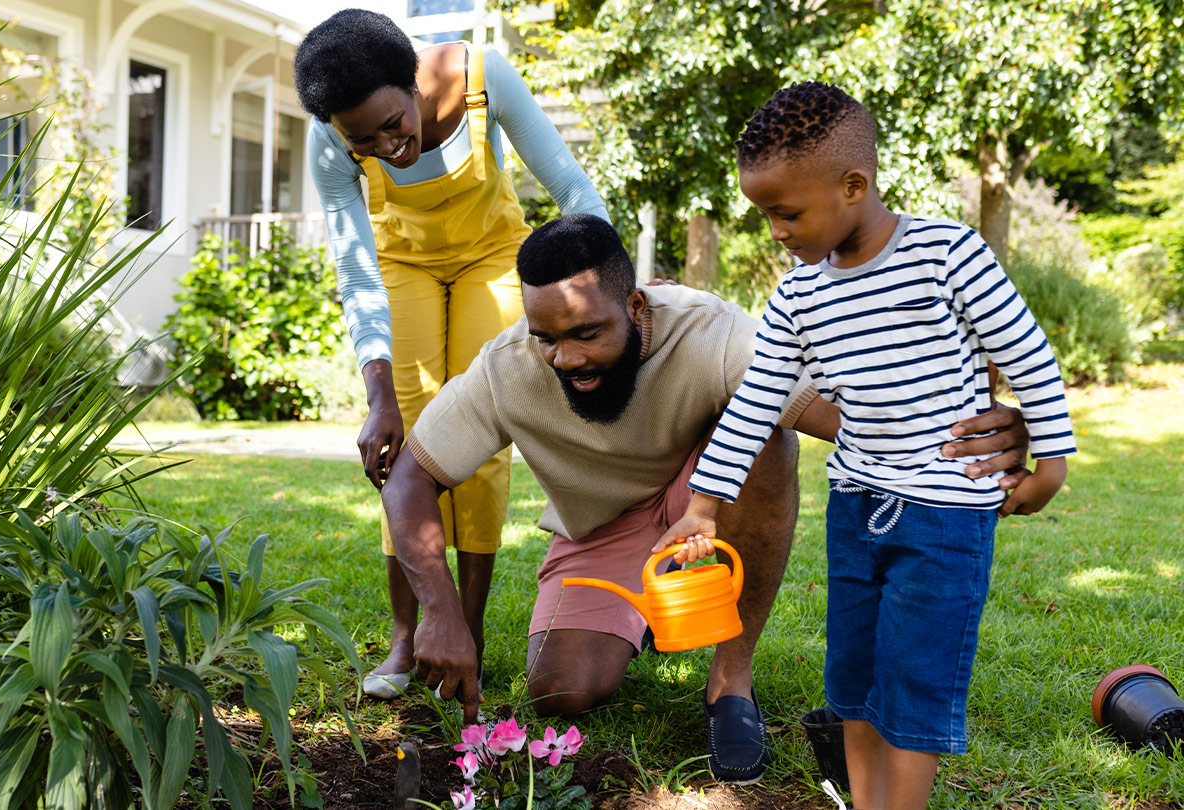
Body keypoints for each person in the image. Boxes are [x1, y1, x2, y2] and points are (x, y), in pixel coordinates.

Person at [380, 212, 1035, 784]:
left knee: (769, 439)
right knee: (561, 693)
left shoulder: (712, 334)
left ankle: (731, 681)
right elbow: (413, 478)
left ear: (636, 306)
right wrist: (440, 610)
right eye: (547, 336)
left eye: (586, 334)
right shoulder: (508, 369)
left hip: (708, 495)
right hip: (602, 526)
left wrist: (981, 418)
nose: (564, 358)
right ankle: (645, 613)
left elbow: (843, 413)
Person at [658, 83, 1076, 806]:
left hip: (944, 515)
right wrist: (702, 507)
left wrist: (1052, 463)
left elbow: (1028, 352)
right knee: (851, 679)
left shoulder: (946, 255)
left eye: (786, 212)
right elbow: (757, 403)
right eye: (765, 215)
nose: (776, 232)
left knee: (913, 684)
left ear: (854, 185)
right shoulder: (799, 297)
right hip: (855, 507)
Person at [294, 9, 610, 700]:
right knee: (403, 442)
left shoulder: (481, 76)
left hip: (493, 256)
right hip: (399, 263)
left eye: (394, 122)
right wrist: (378, 398)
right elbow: (356, 271)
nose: (387, 144)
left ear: (412, 80)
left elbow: (575, 192)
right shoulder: (331, 139)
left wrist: (603, 287)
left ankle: (467, 627)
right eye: (364, 139)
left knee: (481, 439)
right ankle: (409, 636)